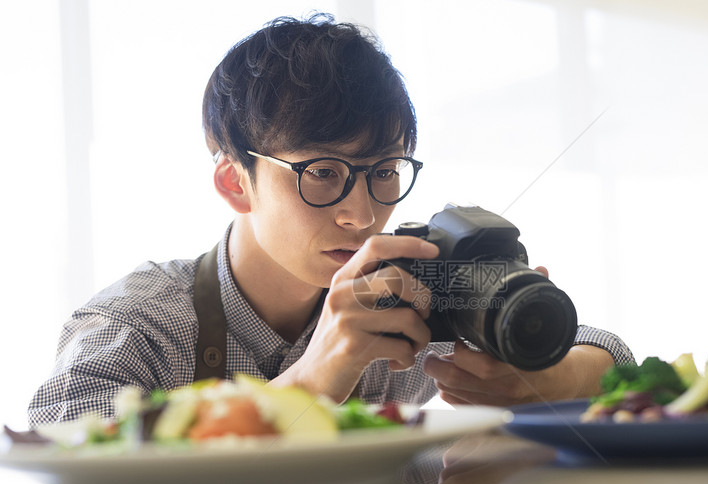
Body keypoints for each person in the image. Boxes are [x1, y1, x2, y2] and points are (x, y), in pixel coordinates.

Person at [28, 14, 634, 425]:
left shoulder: (401, 295)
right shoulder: (142, 323)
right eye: (321, 173)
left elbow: (611, 353)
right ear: (234, 182)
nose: (362, 214)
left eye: (385, 171)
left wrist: (549, 378)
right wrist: (314, 378)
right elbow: (65, 443)